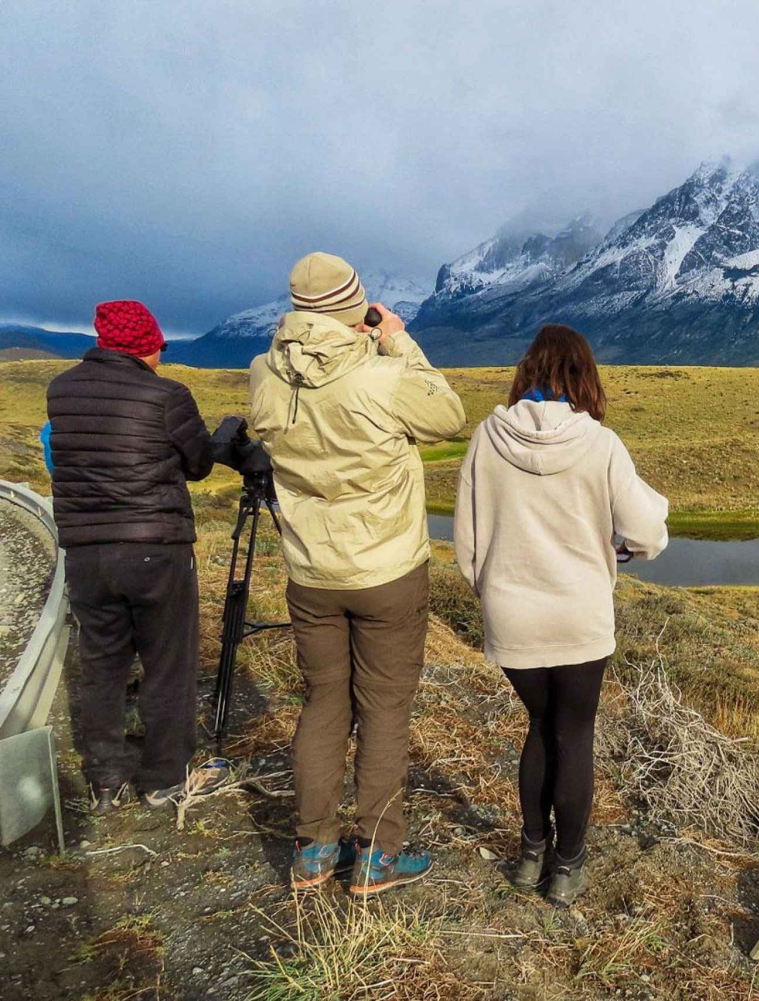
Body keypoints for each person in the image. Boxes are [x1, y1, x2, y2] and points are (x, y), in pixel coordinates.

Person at [248, 252, 466, 895]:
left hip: (311, 571)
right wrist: (397, 340)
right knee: (384, 709)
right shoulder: (381, 377)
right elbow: (448, 415)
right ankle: (376, 855)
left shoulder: (264, 372)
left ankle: (313, 849)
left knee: (323, 702)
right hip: (386, 570)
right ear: (356, 308)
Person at [454, 323, 668, 907]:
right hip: (580, 616)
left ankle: (531, 856)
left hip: (512, 615)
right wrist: (628, 547)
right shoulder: (601, 443)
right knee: (573, 733)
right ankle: (567, 868)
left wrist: (495, 593)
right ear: (584, 376)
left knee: (539, 726)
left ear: (527, 370)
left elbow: (468, 547)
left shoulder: (486, 438)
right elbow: (646, 532)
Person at [46, 300, 230, 812]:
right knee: (167, 663)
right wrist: (220, 438)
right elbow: (198, 464)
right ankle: (163, 778)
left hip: (86, 552)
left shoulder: (61, 390)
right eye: (158, 347)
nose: (161, 356)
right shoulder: (166, 395)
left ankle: (105, 780)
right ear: (145, 346)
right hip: (155, 548)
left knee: (101, 663)